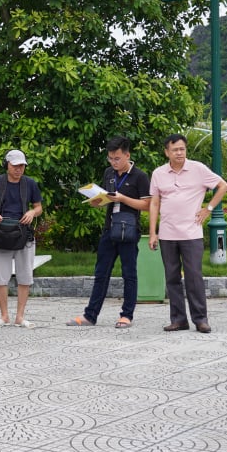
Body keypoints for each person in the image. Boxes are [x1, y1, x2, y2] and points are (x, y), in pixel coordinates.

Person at [66, 136, 151, 328]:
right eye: (110, 158)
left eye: (117, 158)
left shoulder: (140, 176)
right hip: (109, 229)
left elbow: (147, 205)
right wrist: (97, 201)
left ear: (127, 155)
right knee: (101, 273)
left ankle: (126, 315)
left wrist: (123, 198)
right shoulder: (109, 173)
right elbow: (108, 198)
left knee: (129, 274)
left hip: (129, 230)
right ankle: (90, 315)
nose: (113, 162)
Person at [148, 134, 227, 334]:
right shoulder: (158, 173)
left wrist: (208, 209)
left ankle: (201, 319)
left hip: (191, 234)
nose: (179, 153)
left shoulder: (198, 169)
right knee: (172, 278)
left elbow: (223, 186)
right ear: (167, 152)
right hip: (167, 234)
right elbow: (154, 203)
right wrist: (153, 233)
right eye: (175, 149)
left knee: (194, 277)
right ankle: (178, 319)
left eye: (182, 149)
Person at [0, 150, 43, 328]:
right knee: (0, 278)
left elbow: (38, 207)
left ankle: (20, 316)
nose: (19, 169)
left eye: (22, 165)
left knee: (25, 277)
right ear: (6, 165)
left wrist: (32, 212)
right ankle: (4, 316)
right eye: (15, 165)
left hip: (24, 234)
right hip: (1, 234)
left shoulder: (30, 184)